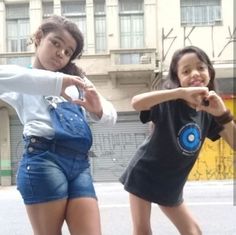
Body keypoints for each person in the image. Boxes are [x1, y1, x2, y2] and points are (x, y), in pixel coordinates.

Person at [0, 15, 117, 235]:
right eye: (56, 43)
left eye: (68, 51)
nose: (61, 54)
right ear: (38, 37)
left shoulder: (75, 78)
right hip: (44, 159)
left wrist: (97, 109)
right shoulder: (23, 77)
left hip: (80, 164)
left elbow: (111, 115)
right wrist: (55, 83)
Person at [119, 45, 235, 235]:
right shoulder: (170, 103)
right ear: (178, 78)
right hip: (144, 174)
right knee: (142, 231)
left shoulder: (211, 110)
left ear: (210, 72)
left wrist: (222, 114)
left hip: (172, 183)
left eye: (200, 67)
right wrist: (179, 93)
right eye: (186, 71)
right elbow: (136, 102)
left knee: (193, 231)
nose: (195, 73)